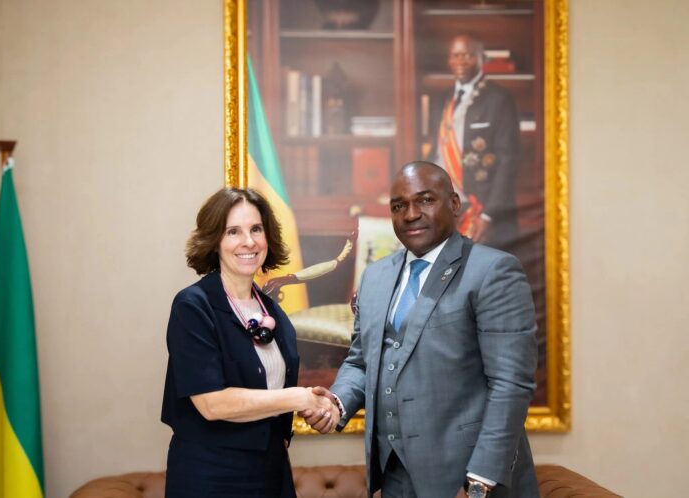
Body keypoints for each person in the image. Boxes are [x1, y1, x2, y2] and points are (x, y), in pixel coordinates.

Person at [302, 162, 539, 498]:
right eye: (399, 206)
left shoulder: (493, 271)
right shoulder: (376, 277)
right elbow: (362, 360)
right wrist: (336, 404)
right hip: (394, 476)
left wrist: (480, 481)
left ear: (454, 204)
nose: (411, 214)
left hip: (468, 477)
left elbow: (511, 384)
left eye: (425, 200)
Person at [161, 187, 336, 497]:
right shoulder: (193, 306)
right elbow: (212, 404)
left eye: (256, 229)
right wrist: (301, 398)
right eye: (233, 232)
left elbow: (272, 394)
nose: (249, 242)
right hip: (211, 477)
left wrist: (320, 408)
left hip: (271, 471)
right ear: (215, 241)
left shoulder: (273, 312)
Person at [429, 34, 521, 252]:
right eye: (455, 55)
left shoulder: (499, 99)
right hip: (445, 208)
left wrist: (488, 215)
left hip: (481, 209)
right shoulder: (441, 100)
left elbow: (509, 161)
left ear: (481, 58)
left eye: (468, 55)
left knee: (483, 271)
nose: (461, 61)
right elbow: (435, 152)